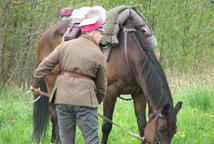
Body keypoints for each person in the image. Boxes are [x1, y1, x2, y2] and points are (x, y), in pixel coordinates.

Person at [30, 9, 107, 144]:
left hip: (62, 100)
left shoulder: (64, 46)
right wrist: (95, 102)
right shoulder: (99, 54)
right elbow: (102, 86)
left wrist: (35, 85)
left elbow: (43, 67)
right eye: (100, 32)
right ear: (93, 33)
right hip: (86, 101)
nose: (102, 35)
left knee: (66, 141)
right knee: (92, 141)